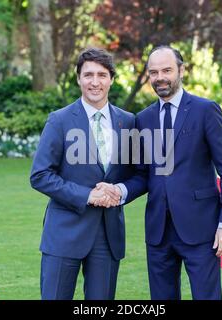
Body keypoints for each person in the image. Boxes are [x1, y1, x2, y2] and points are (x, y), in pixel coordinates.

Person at [100, 45, 222, 300]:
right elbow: (142, 174)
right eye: (153, 72)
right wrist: (118, 191)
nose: (160, 77)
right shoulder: (142, 119)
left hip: (201, 229)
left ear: (181, 70)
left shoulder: (205, 110)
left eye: (166, 70)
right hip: (158, 231)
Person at [30, 48, 134, 300]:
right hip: (65, 230)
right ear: (78, 78)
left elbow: (139, 175)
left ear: (111, 79)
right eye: (88, 75)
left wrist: (120, 191)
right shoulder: (59, 120)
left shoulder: (128, 122)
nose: (95, 82)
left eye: (101, 75)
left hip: (108, 236)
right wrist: (87, 195)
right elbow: (40, 174)